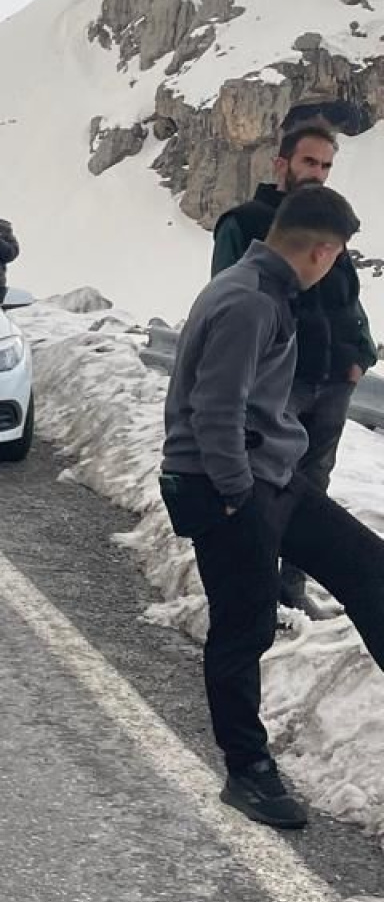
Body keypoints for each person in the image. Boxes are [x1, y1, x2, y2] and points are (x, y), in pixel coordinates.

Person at [160, 185, 384, 829]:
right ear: (320, 250)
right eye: (337, 255)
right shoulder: (249, 302)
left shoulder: (266, 291)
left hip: (271, 475)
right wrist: (237, 497)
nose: (335, 266)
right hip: (226, 485)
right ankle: (247, 771)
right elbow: (215, 410)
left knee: (368, 567)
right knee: (245, 624)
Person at [209, 122, 376, 621]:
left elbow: (348, 300)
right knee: (268, 487)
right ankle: (256, 591)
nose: (318, 174)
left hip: (332, 383)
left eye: (326, 166)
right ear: (280, 163)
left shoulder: (328, 223)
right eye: (309, 162)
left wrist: (360, 356)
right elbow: (228, 301)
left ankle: (291, 589)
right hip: (278, 387)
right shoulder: (245, 222)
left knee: (313, 484)